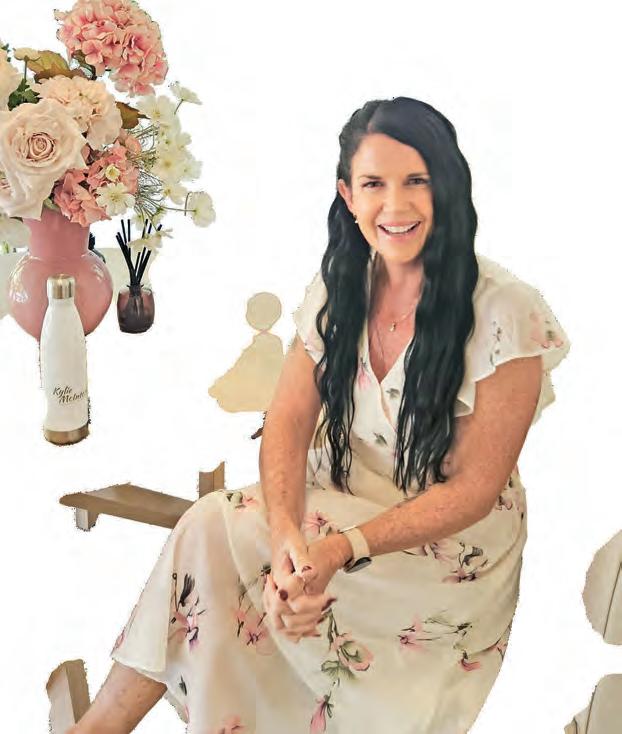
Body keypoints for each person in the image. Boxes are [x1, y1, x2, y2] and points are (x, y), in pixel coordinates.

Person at [67, 97, 570, 734]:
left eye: (417, 181)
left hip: (444, 551)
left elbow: (473, 490)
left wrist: (336, 549)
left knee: (222, 530)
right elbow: (287, 422)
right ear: (347, 195)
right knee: (217, 531)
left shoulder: (507, 311)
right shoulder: (340, 286)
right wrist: (287, 542)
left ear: (448, 186)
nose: (396, 205)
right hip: (336, 505)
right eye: (374, 184)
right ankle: (103, 728)